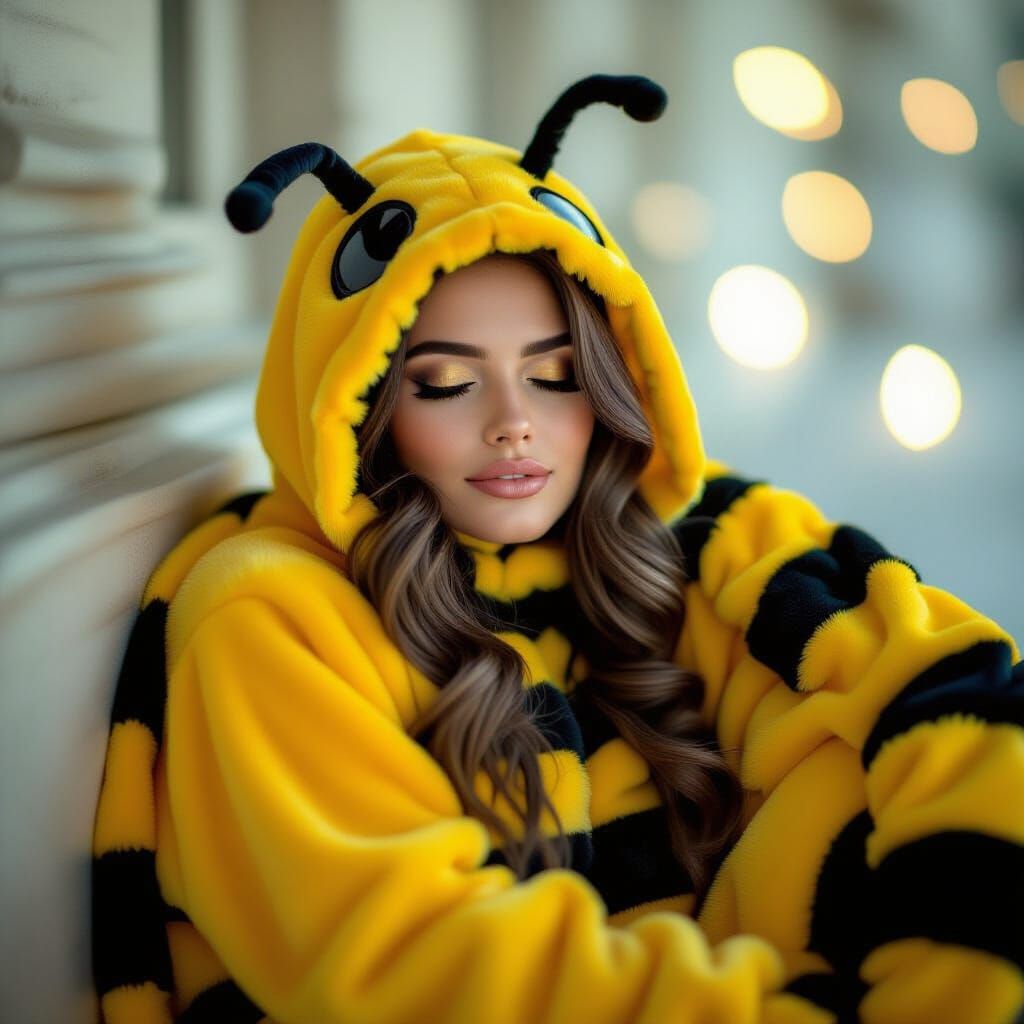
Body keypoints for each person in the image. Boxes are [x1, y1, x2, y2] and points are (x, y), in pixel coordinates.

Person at [91, 74, 1024, 1024]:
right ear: (360, 407)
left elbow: (953, 695)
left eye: (556, 376)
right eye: (447, 385)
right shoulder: (270, 616)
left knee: (865, 746)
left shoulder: (703, 543)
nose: (515, 429)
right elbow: (421, 967)